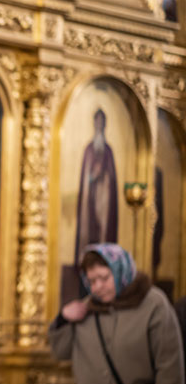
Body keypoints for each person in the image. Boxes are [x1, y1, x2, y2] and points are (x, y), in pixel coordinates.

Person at [49, 243, 184, 384]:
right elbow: (60, 352)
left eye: (103, 278)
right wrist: (63, 319)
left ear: (120, 269)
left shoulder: (153, 304)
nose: (97, 287)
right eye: (91, 281)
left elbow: (169, 362)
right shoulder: (85, 310)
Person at [75, 109, 118, 267]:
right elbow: (85, 179)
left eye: (102, 122)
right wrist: (94, 175)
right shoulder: (88, 150)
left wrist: (103, 176)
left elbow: (111, 179)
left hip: (104, 201)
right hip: (90, 201)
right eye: (97, 121)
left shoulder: (108, 151)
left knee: (103, 232)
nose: (99, 125)